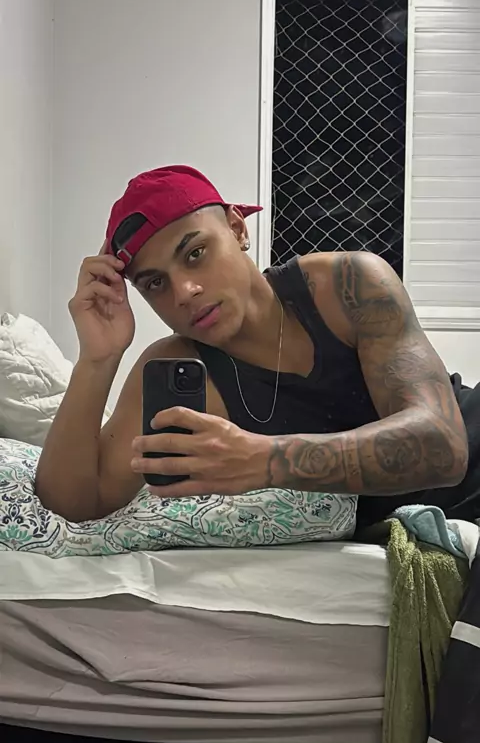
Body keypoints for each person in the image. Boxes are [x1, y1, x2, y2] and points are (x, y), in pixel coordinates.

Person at [35, 165, 480, 526]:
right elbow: (74, 505)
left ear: (236, 228)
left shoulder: (347, 285)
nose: (185, 291)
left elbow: (444, 446)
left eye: (195, 253)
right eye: (155, 283)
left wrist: (263, 460)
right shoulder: (180, 367)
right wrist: (98, 358)